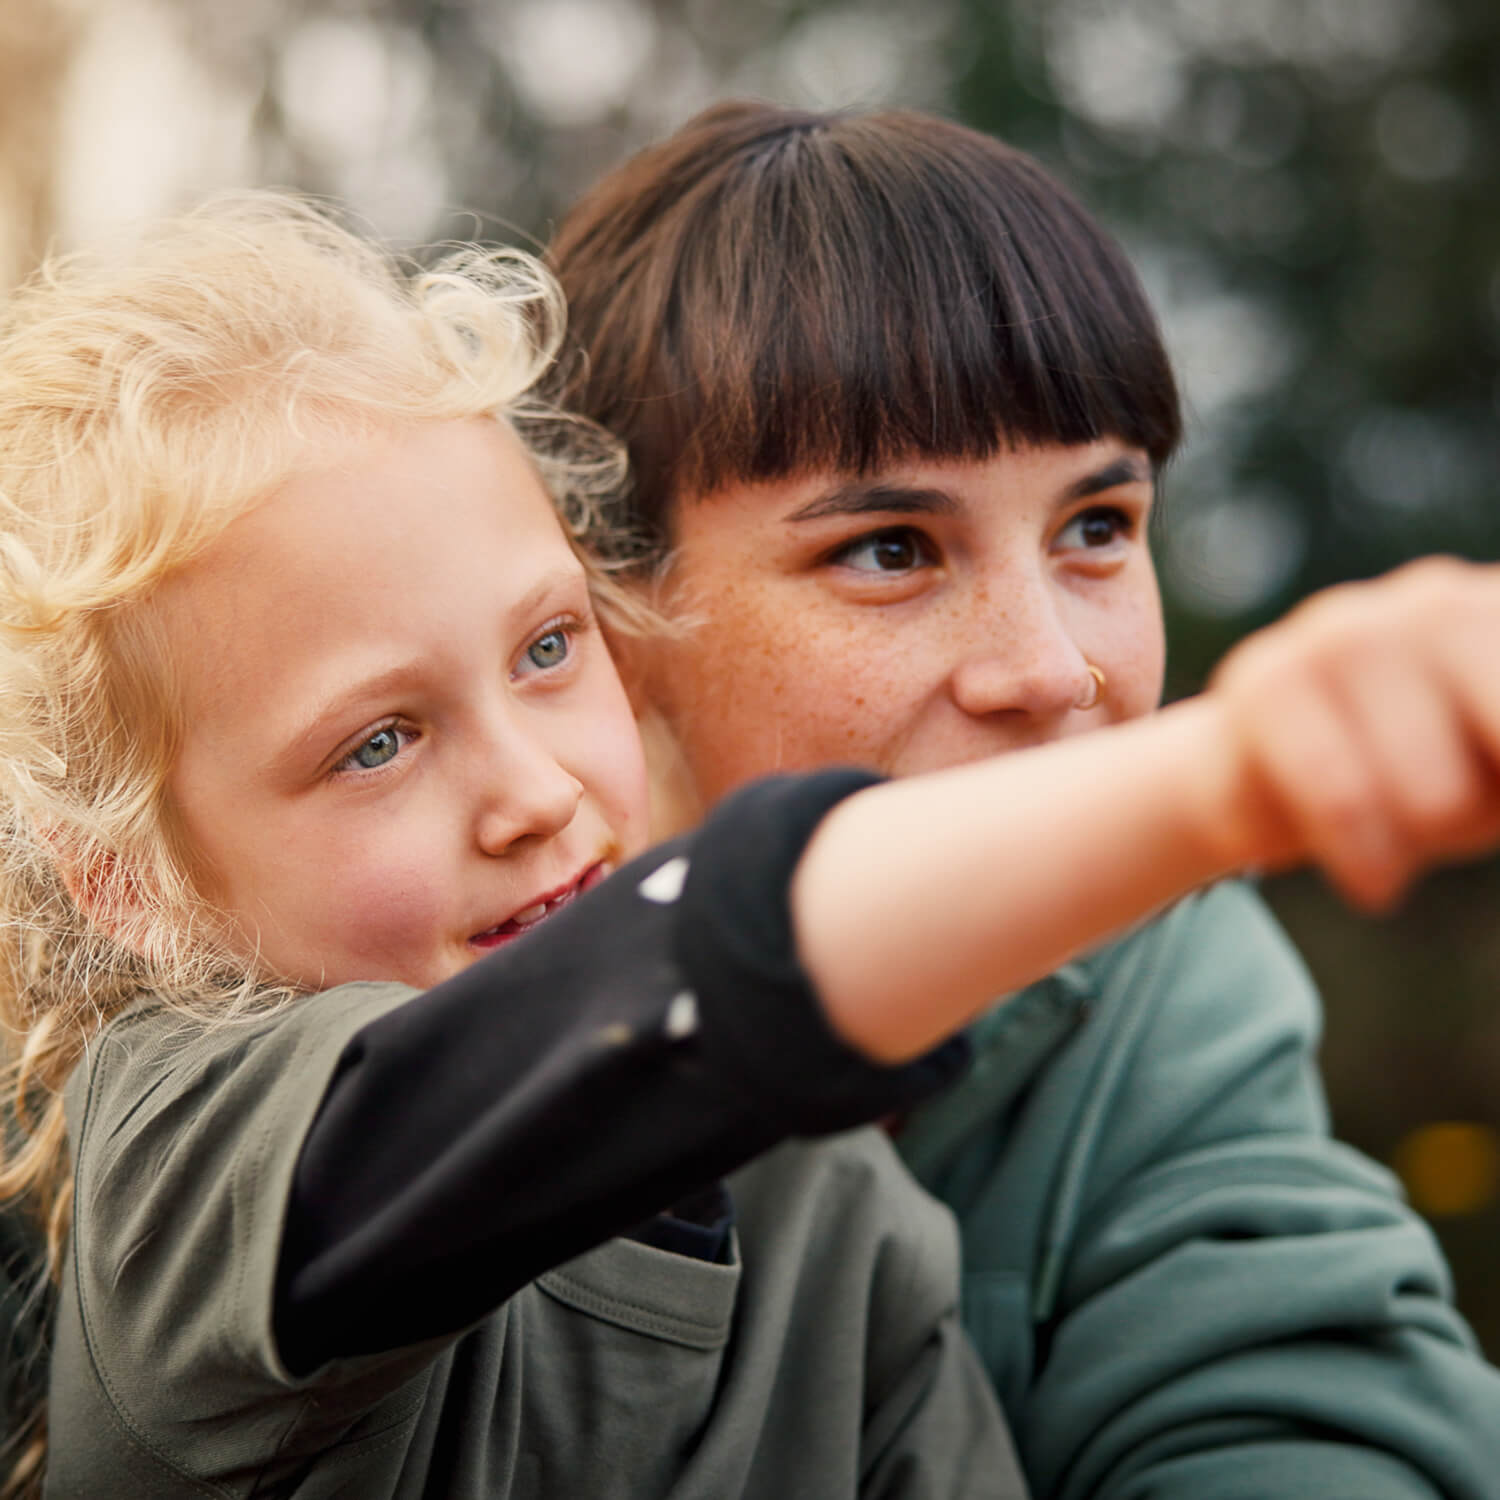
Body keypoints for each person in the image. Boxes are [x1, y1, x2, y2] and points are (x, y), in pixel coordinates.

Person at [0, 195, 1032, 1499]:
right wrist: (1231, 783)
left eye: (548, 648)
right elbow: (474, 1097)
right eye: (378, 744)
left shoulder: (835, 1213)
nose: (536, 794)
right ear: (127, 887)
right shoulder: (184, 1171)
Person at [546, 99, 1500, 1498]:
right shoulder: (408, 992)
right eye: (889, 549)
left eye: (1098, 528)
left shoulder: (1160, 979)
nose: (1054, 672)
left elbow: (1292, 1389)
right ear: (614, 621)